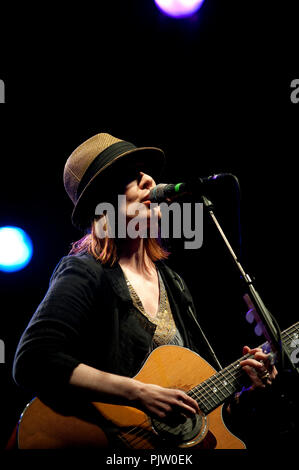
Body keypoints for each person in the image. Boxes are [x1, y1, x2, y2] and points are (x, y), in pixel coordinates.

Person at [12, 132, 277, 448]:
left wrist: (244, 387)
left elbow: (199, 411)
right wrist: (139, 394)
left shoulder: (174, 283)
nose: (150, 181)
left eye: (148, 173)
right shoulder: (86, 271)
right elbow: (33, 360)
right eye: (131, 177)